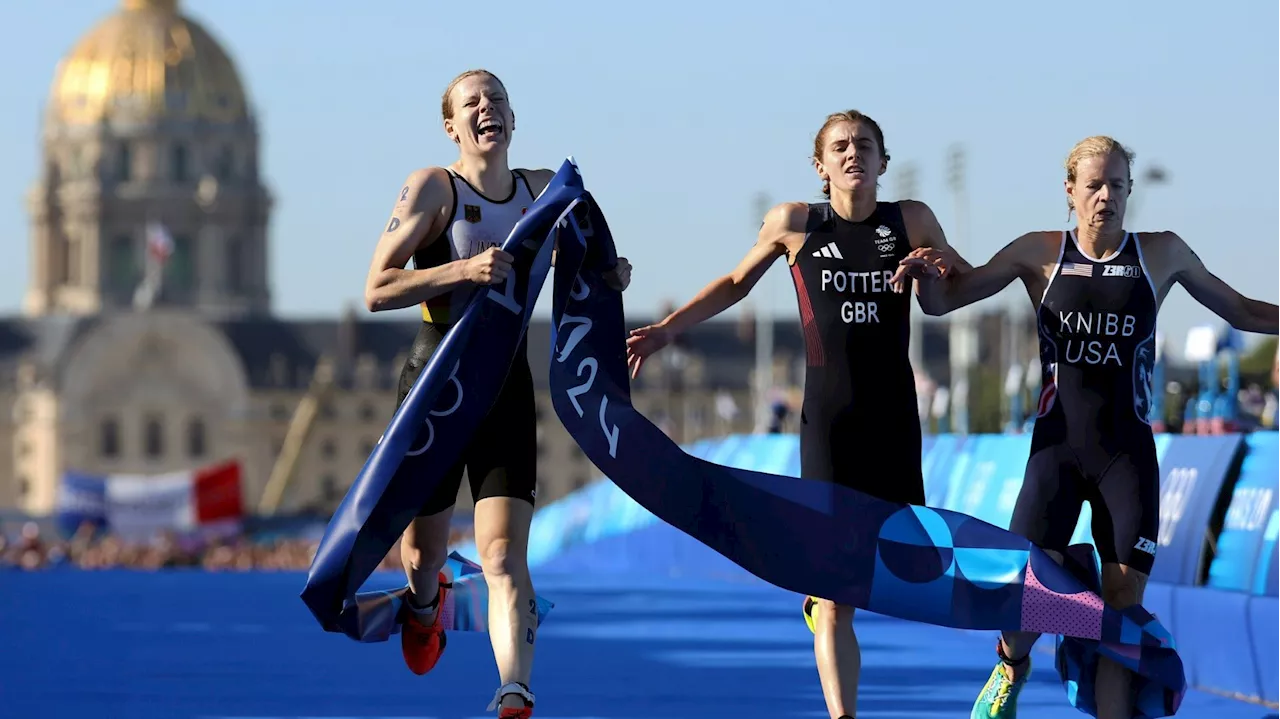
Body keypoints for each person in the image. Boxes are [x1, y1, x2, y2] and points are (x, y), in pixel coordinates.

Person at [899, 135, 1280, 719]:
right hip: (1055, 452)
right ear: (1070, 190)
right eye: (1095, 185)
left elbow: (1245, 311)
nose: (1107, 197)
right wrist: (926, 274)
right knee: (1026, 597)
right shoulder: (1038, 253)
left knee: (1122, 605)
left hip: (1126, 454)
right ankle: (1012, 666)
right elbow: (946, 303)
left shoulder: (1162, 253)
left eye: (1119, 186)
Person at [625, 109, 970, 719]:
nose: (852, 153)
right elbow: (735, 283)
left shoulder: (911, 220)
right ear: (820, 166)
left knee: (910, 570)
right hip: (829, 422)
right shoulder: (795, 224)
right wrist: (665, 333)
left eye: (865, 145)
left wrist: (929, 277)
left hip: (893, 419)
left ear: (884, 162)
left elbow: (948, 301)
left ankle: (823, 596)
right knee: (838, 595)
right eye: (839, 146)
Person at [362, 68, 632, 718]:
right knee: (423, 550)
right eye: (472, 103)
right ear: (452, 126)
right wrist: (463, 268)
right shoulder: (434, 187)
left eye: (498, 100)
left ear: (513, 119)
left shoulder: (543, 191)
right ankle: (424, 604)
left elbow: (582, 262)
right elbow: (376, 288)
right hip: (435, 384)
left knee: (505, 552)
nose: (488, 109)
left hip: (505, 384)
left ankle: (514, 688)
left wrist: (608, 275)